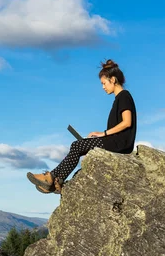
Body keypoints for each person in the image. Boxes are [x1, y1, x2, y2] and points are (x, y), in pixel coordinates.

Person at [27, 59, 137, 194]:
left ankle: (52, 178)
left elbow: (127, 122)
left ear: (113, 79)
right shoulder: (119, 98)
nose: (103, 87)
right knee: (78, 145)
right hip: (115, 141)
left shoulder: (124, 96)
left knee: (77, 145)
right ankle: (56, 181)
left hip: (119, 143)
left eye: (104, 83)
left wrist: (104, 133)